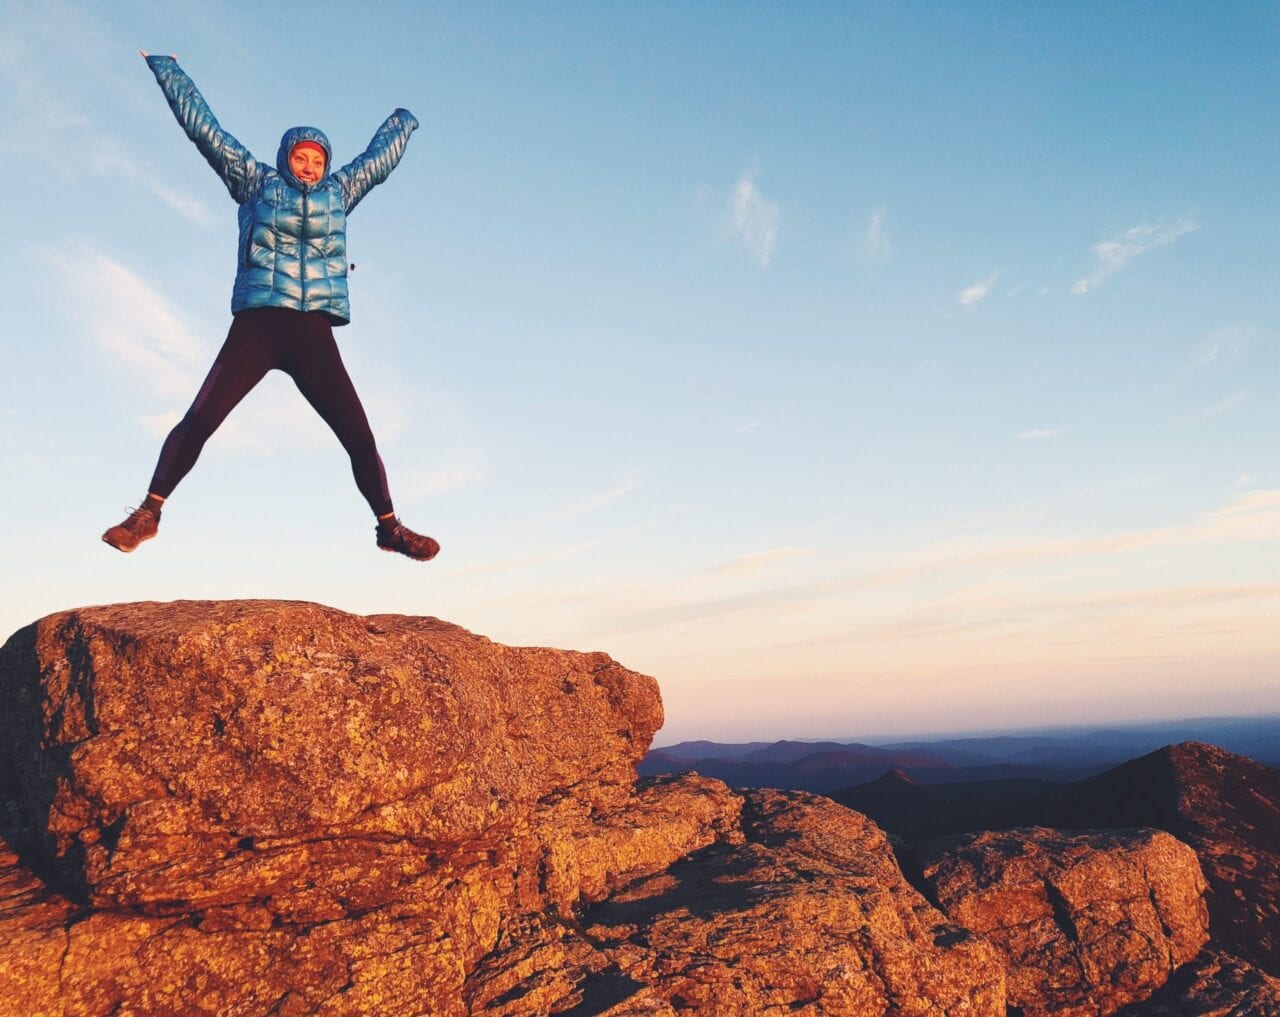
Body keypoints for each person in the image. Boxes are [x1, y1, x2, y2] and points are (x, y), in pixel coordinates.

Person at [102, 52, 439, 561]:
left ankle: (389, 527)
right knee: (202, 417)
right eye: (301, 157)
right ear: (286, 158)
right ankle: (148, 512)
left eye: (318, 160)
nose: (309, 167)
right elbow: (205, 130)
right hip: (259, 324)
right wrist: (166, 68)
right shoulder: (255, 183)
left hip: (312, 331)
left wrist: (403, 121)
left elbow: (378, 161)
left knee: (359, 433)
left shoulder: (340, 193)